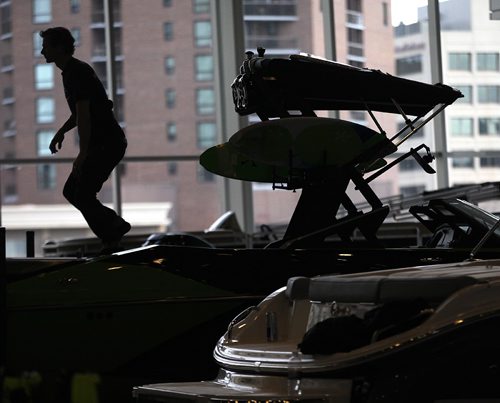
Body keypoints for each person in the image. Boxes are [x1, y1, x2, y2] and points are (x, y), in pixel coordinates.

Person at [40, 27, 130, 254]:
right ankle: (112, 235)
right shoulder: (72, 71)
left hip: (107, 143)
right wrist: (61, 131)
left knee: (79, 192)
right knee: (74, 191)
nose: (42, 50)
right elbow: (81, 112)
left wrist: (83, 154)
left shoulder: (76, 72)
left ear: (59, 48)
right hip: (107, 142)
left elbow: (84, 115)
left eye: (46, 46)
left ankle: (113, 232)